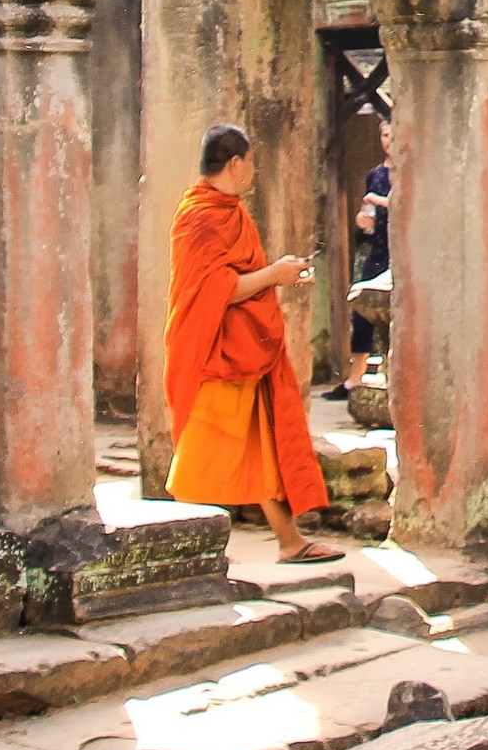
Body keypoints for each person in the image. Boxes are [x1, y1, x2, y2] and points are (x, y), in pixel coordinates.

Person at [165, 123, 340, 562]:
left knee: (259, 448)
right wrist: (273, 276)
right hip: (215, 352)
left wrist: (280, 277)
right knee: (199, 457)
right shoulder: (199, 216)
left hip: (245, 351)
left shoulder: (231, 211)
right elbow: (215, 290)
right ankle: (177, 550)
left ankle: (289, 541)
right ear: (235, 163)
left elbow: (241, 281)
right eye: (251, 162)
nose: (254, 171)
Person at [325, 116, 392, 399]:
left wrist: (382, 202)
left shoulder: (412, 171)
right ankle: (355, 377)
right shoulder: (375, 175)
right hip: (377, 248)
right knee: (362, 311)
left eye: (394, 134)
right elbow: (369, 214)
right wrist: (363, 222)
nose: (389, 141)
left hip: (403, 251)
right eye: (385, 135)